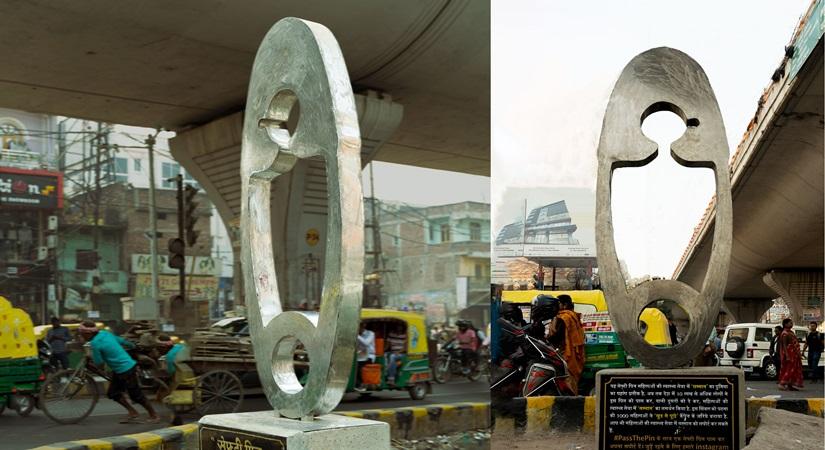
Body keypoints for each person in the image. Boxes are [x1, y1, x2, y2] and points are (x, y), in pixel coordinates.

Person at [77, 321, 159, 423]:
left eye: (82, 333)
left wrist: (91, 359)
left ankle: (154, 415)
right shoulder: (104, 333)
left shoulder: (95, 343)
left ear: (88, 333)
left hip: (126, 369)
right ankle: (133, 412)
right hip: (120, 369)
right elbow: (121, 340)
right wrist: (132, 345)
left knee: (136, 395)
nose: (81, 335)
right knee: (113, 393)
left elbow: (99, 363)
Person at [548, 294, 585, 394]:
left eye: (558, 303)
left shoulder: (564, 318)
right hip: (575, 352)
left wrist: (547, 339)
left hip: (565, 352)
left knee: (567, 377)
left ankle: (569, 399)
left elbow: (557, 337)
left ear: (564, 305)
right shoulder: (573, 316)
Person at [777, 318, 804, 391]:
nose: (791, 324)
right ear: (785, 324)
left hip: (794, 354)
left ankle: (790, 385)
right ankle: (782, 383)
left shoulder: (791, 332)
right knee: (788, 370)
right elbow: (784, 346)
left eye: (791, 323)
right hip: (789, 354)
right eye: (790, 323)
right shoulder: (785, 333)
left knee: (794, 369)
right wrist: (787, 356)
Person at [354, 322, 375, 391]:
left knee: (359, 365)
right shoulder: (358, 335)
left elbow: (366, 343)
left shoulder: (371, 333)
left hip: (370, 355)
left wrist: (357, 335)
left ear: (363, 326)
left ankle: (361, 384)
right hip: (359, 355)